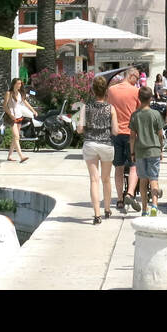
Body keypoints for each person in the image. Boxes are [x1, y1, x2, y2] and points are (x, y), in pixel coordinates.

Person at [76, 75, 114, 223]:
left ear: (92, 90)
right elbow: (115, 130)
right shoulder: (111, 108)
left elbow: (79, 129)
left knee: (94, 180)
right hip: (106, 145)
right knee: (106, 179)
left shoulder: (86, 107)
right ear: (106, 91)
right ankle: (107, 209)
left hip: (90, 144)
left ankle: (97, 215)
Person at [108, 68, 142, 211]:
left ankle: (120, 200)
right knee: (134, 165)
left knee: (118, 167)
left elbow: (109, 109)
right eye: (137, 78)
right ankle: (130, 193)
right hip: (131, 134)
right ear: (132, 76)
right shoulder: (136, 92)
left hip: (115, 133)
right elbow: (140, 111)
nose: (138, 81)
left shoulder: (111, 90)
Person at [129, 87, 165, 216]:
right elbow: (160, 134)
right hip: (154, 150)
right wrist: (160, 148)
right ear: (151, 98)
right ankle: (154, 205)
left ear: (139, 98)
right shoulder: (155, 114)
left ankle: (144, 210)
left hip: (140, 152)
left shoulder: (135, 115)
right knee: (154, 179)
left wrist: (132, 153)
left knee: (143, 181)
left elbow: (132, 137)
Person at [4, 78, 35, 163]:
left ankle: (9, 156)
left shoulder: (20, 93)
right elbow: (4, 106)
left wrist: (33, 110)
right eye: (18, 83)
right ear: (13, 84)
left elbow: (26, 103)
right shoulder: (8, 93)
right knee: (16, 137)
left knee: (15, 138)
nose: (19, 85)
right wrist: (10, 114)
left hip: (19, 117)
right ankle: (21, 156)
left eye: (20, 84)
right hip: (12, 118)